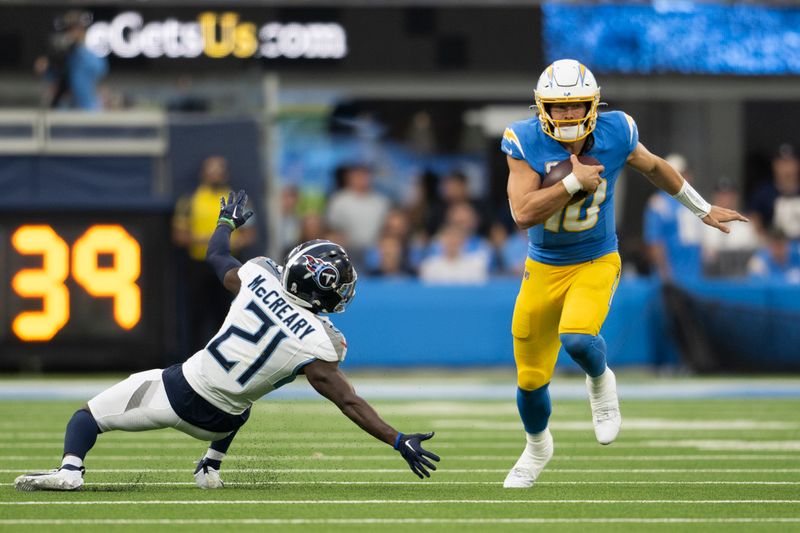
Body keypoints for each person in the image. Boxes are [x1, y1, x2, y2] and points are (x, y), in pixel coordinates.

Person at [15, 190, 439, 491]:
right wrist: (396, 439)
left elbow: (216, 255)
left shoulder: (257, 276)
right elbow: (347, 401)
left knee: (83, 419)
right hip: (222, 420)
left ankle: (70, 470)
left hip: (180, 392)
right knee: (248, 392)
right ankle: (210, 466)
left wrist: (226, 223)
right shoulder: (319, 342)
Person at [500, 59, 747, 489]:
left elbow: (653, 167)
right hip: (543, 266)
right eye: (558, 108)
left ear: (592, 105)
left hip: (596, 257)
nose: (568, 115)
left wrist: (701, 208)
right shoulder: (522, 140)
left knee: (577, 337)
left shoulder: (617, 131)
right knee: (530, 378)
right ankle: (537, 447)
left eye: (575, 105)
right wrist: (572, 184)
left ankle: (601, 380)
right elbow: (522, 213)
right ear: (542, 109)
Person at [173, 156, 256, 352]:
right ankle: (192, 357)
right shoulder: (190, 201)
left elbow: (250, 235)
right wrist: (210, 241)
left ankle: (227, 355)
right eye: (211, 170)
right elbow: (178, 235)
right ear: (203, 174)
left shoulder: (238, 201)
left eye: (218, 170)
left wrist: (229, 241)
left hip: (228, 266)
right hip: (198, 265)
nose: (215, 175)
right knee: (196, 316)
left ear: (225, 174)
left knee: (228, 313)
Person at [35, 10, 108, 110]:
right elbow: (50, 77)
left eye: (77, 29)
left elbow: (100, 70)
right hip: (64, 110)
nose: (74, 33)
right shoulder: (60, 53)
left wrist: (79, 48)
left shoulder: (90, 55)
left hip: (88, 109)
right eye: (70, 29)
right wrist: (48, 64)